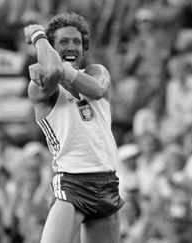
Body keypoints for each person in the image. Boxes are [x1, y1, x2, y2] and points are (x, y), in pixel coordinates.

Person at [23, 11, 125, 243]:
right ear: (51, 46)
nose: (72, 47)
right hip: (73, 183)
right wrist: (40, 37)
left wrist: (40, 43)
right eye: (63, 42)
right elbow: (56, 72)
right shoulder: (39, 87)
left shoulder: (96, 72)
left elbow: (97, 90)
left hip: (107, 180)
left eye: (77, 42)